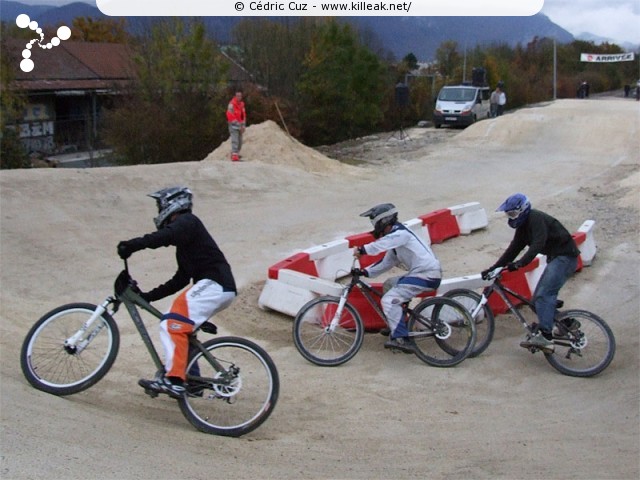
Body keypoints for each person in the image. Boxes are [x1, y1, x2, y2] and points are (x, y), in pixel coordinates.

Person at [117, 187, 237, 398]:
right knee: (178, 325)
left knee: (171, 323)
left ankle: (174, 380)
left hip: (216, 284)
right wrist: (148, 296)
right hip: (215, 287)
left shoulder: (188, 222)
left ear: (171, 204)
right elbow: (179, 280)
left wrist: (133, 245)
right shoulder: (186, 244)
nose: (158, 210)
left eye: (160, 205)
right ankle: (193, 381)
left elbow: (165, 236)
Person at [481, 193, 580, 352]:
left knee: (543, 296)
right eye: (509, 214)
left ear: (523, 210)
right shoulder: (523, 227)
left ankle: (546, 337)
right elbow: (513, 250)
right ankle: (568, 324)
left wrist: (521, 263)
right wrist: (493, 268)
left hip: (565, 258)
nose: (510, 218)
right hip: (556, 258)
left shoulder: (535, 218)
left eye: (513, 214)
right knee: (536, 302)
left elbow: (537, 244)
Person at [353, 203, 443, 353]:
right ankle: (398, 324)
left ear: (382, 221)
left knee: (388, 300)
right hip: (421, 273)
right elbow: (386, 262)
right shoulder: (396, 239)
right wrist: (365, 272)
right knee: (389, 284)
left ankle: (402, 338)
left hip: (427, 275)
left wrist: (363, 250)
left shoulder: (400, 234)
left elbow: (381, 245)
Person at [226, 90, 246, 162]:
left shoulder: (242, 105)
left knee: (240, 141)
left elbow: (243, 115)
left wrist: (243, 125)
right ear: (235, 96)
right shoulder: (231, 104)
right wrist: (237, 123)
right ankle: (234, 155)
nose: (239, 97)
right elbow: (229, 115)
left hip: (240, 125)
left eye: (240, 96)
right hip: (233, 125)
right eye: (237, 96)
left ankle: (236, 153)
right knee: (235, 140)